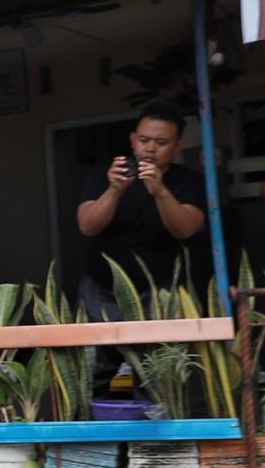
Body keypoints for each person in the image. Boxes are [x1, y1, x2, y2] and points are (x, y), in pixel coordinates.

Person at [76, 98, 209, 313]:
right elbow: (87, 226)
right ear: (132, 139)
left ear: (178, 147)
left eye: (161, 142)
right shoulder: (105, 173)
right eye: (144, 140)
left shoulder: (189, 181)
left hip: (162, 291)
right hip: (101, 289)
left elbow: (185, 229)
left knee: (164, 348)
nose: (150, 148)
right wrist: (114, 190)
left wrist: (160, 191)